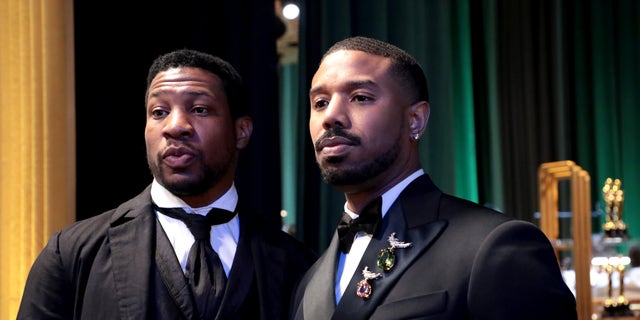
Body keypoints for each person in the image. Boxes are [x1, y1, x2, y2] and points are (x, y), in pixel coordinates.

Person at [290, 36, 577, 320]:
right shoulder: (309, 282)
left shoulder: (494, 245)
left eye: (360, 98)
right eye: (320, 103)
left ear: (415, 119)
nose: (331, 116)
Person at [18, 49, 316, 319]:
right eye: (159, 112)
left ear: (241, 131)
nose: (175, 127)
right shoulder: (72, 253)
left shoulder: (294, 263)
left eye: (199, 109)